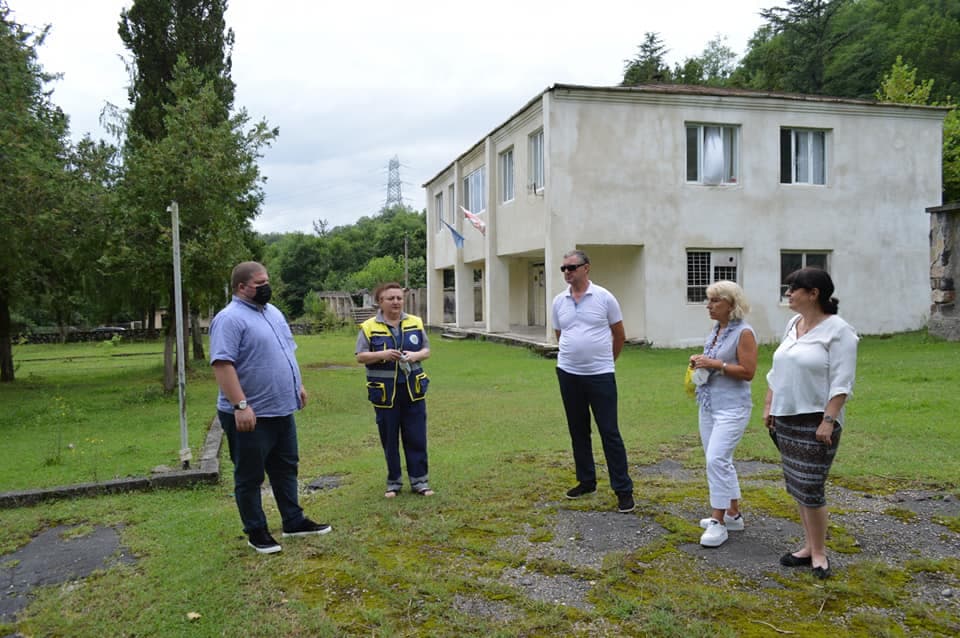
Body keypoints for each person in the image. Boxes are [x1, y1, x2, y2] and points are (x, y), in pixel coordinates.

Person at [210, 261, 331, 554]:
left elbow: (287, 352)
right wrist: (240, 405)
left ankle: (293, 520)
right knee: (250, 475)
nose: (266, 287)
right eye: (260, 283)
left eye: (267, 281)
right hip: (251, 414)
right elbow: (223, 365)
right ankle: (256, 531)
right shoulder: (229, 319)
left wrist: (297, 386)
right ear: (241, 287)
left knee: (286, 467)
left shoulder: (273, 312)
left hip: (281, 409)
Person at [764, 267, 858, 579]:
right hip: (786, 419)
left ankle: (818, 553)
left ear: (813, 293)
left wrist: (828, 421)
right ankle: (807, 546)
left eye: (794, 289)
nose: (788, 294)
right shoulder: (794, 323)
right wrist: (769, 406)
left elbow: (842, 383)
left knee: (811, 487)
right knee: (797, 487)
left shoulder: (839, 331)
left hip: (816, 422)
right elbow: (778, 370)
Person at [552, 250, 635, 513]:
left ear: (586, 268)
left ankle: (623, 489)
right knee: (578, 430)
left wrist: (606, 362)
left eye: (571, 267)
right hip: (568, 373)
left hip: (600, 374)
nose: (567, 272)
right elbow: (560, 333)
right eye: (563, 268)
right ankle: (586, 480)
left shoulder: (604, 298)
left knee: (609, 431)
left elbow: (619, 335)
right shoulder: (559, 302)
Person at [688, 281, 758, 548]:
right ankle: (733, 514)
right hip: (709, 404)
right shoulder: (717, 329)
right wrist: (700, 361)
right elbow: (714, 361)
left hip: (733, 407)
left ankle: (718, 521)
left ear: (732, 304)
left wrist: (716, 364)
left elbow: (748, 371)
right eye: (709, 300)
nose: (709, 305)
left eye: (716, 301)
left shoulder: (744, 333)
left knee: (716, 459)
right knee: (719, 459)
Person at [356, 282, 433, 498]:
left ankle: (420, 482)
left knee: (417, 436)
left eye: (399, 298)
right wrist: (382, 355)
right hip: (385, 394)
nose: (396, 302)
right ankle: (394, 483)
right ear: (380, 302)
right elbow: (360, 356)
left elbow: (426, 350)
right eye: (391, 298)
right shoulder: (369, 327)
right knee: (390, 439)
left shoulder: (415, 322)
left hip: (413, 390)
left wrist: (415, 356)